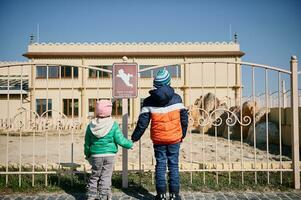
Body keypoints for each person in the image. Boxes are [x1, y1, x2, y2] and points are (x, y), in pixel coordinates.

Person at [131, 69, 188, 200]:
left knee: (160, 165)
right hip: (175, 138)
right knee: (173, 165)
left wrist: (135, 137)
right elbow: (184, 119)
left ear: (155, 85)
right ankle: (174, 195)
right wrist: (182, 135)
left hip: (158, 140)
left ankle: (161, 195)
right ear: (169, 83)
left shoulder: (148, 101)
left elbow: (142, 123)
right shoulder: (177, 98)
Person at [84, 100, 133, 200]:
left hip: (95, 155)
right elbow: (120, 139)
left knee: (95, 174)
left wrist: (87, 153)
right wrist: (129, 144)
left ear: (97, 111)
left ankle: (91, 195)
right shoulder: (113, 125)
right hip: (109, 155)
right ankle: (104, 196)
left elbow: (87, 143)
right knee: (106, 176)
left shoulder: (91, 126)